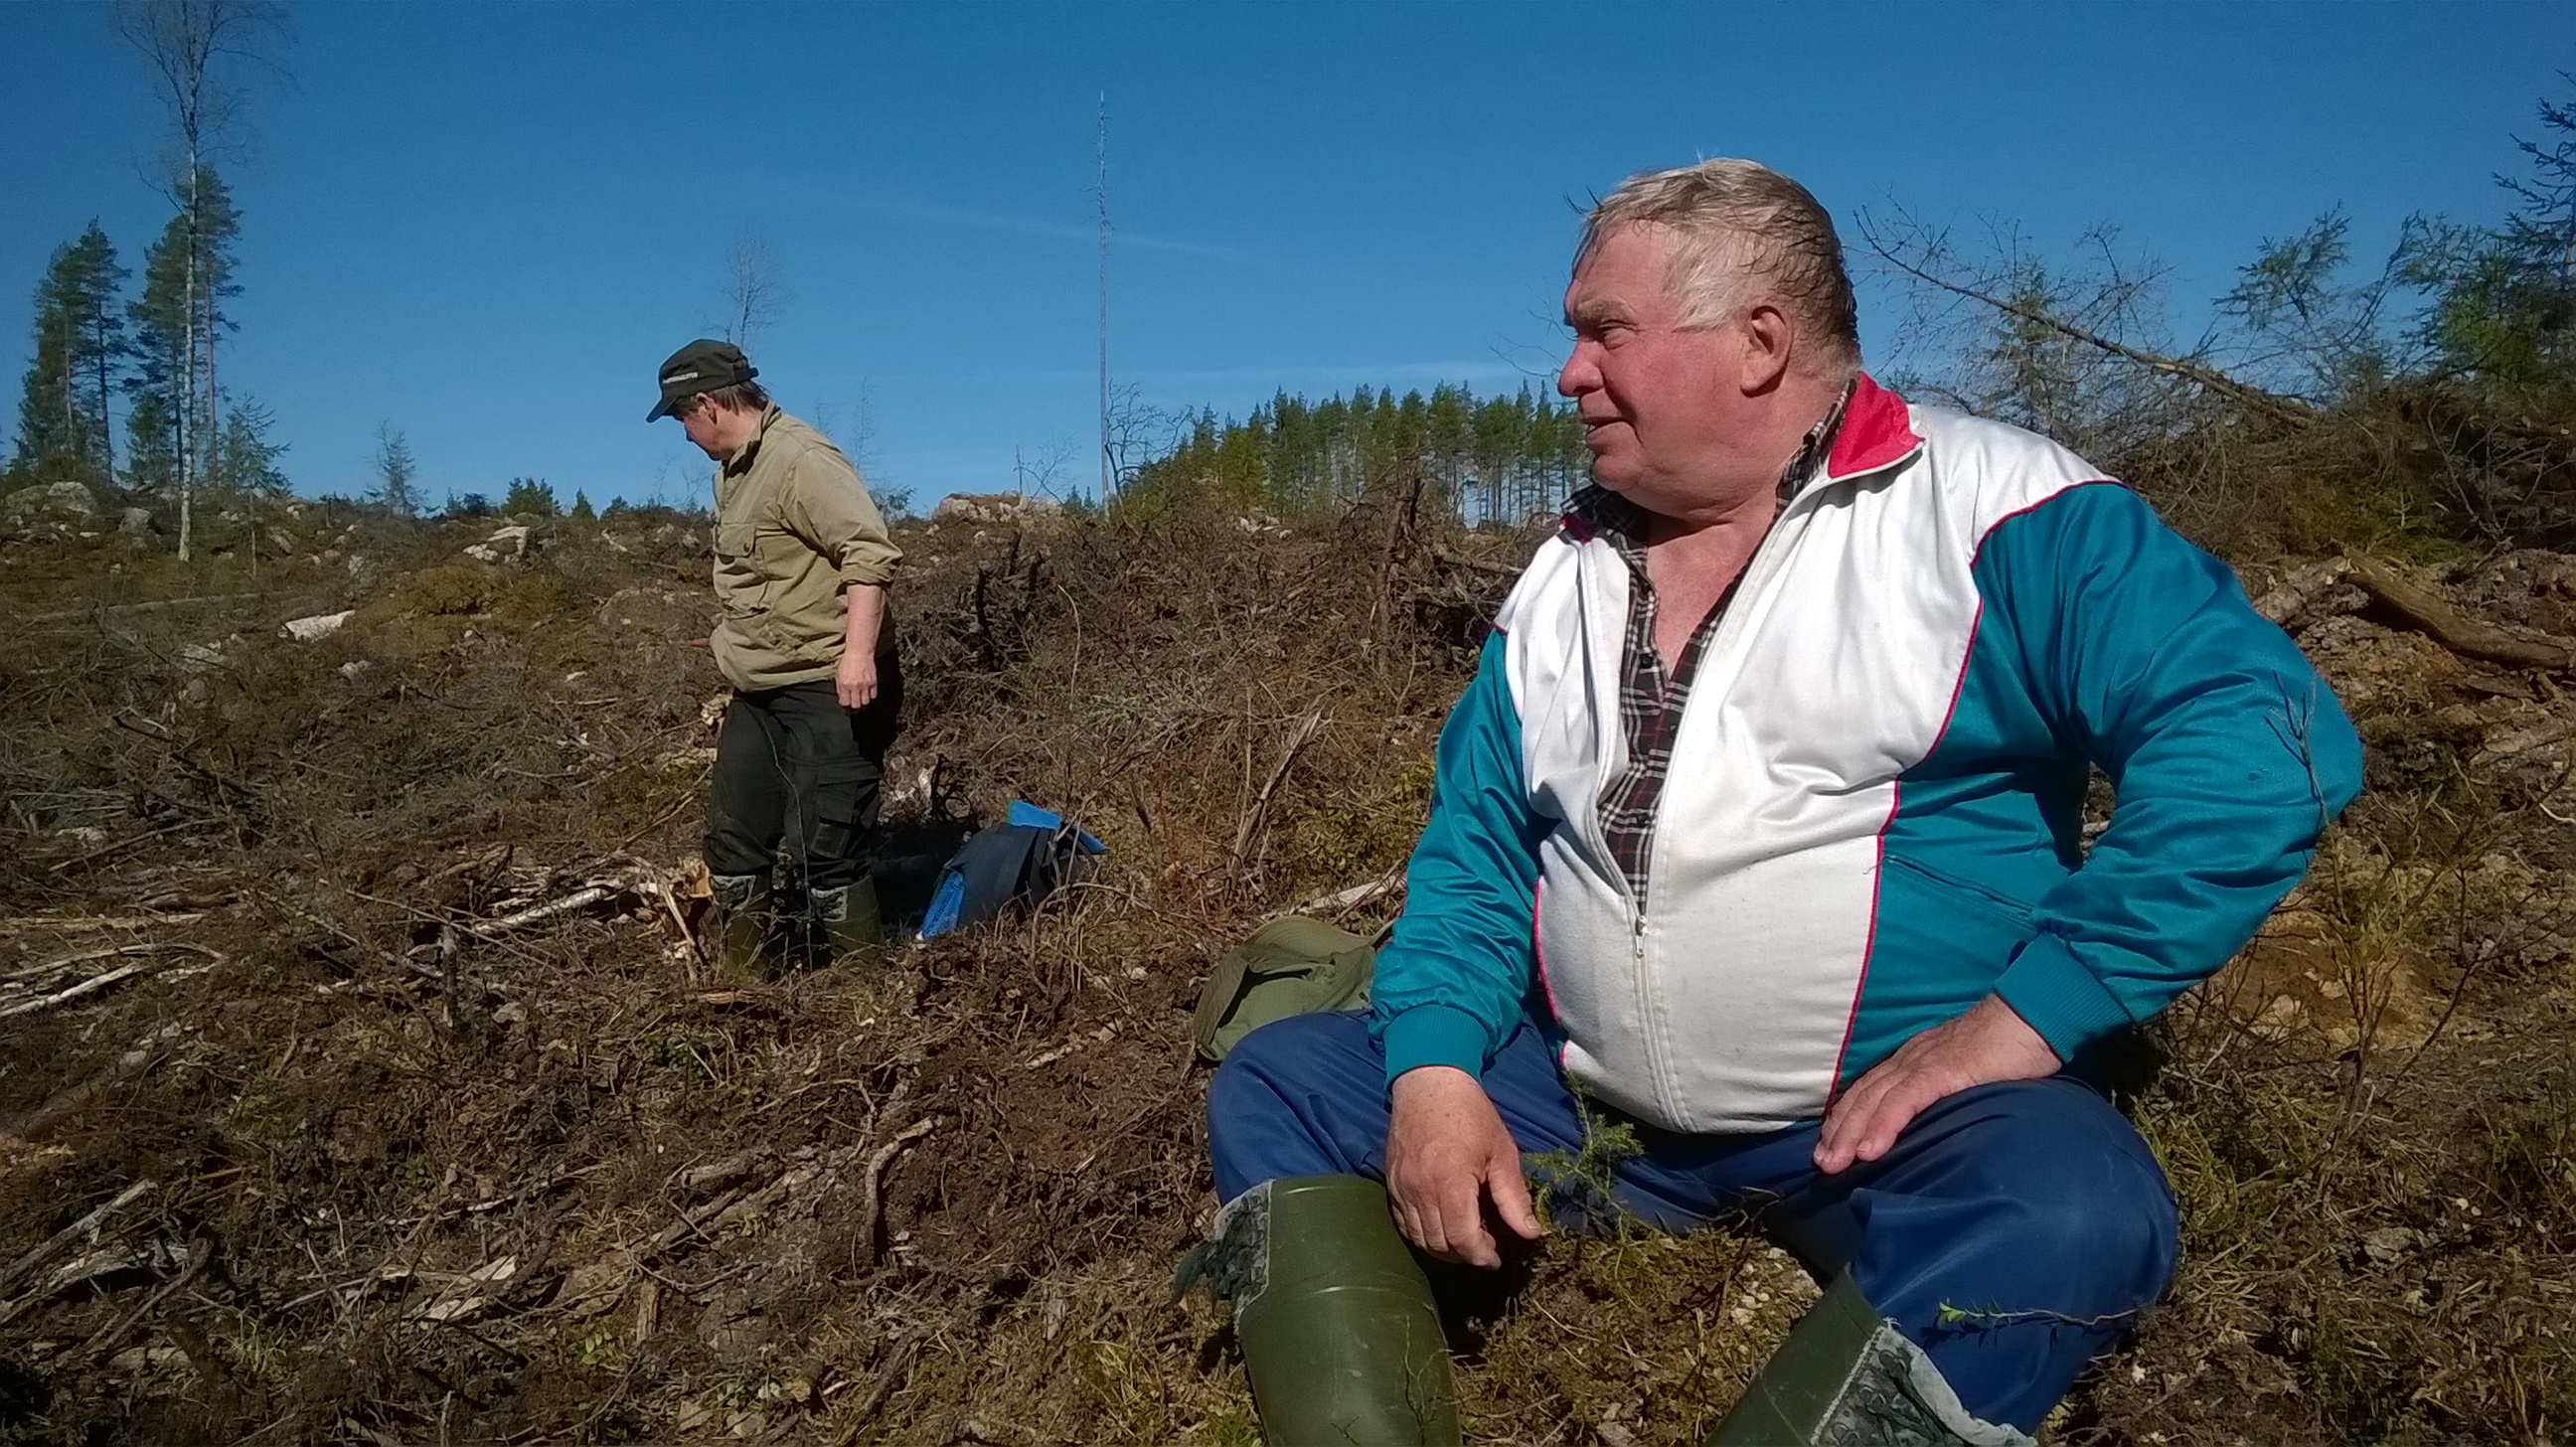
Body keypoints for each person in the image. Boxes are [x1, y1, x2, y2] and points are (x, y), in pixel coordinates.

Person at [1199, 162, 2363, 1445]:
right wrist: (1429, 1071)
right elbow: (1476, 852)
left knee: (2071, 1207)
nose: (1569, 374)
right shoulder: (1561, 577)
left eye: (1605, 331)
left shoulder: (1999, 513)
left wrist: (2027, 1018)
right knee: (1283, 1083)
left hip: (1885, 1132)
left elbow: (2264, 741)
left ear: (1760, 342)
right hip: (1591, 1113)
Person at [648, 339, 902, 977]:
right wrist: (731, 638)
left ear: (707, 403)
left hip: (829, 684)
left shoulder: (801, 459)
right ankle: (745, 990)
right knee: (734, 844)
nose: (683, 433)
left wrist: (858, 656)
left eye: (681, 416)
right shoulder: (733, 473)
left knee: (827, 849)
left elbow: (868, 555)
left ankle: (866, 1004)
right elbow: (766, 576)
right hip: (759, 691)